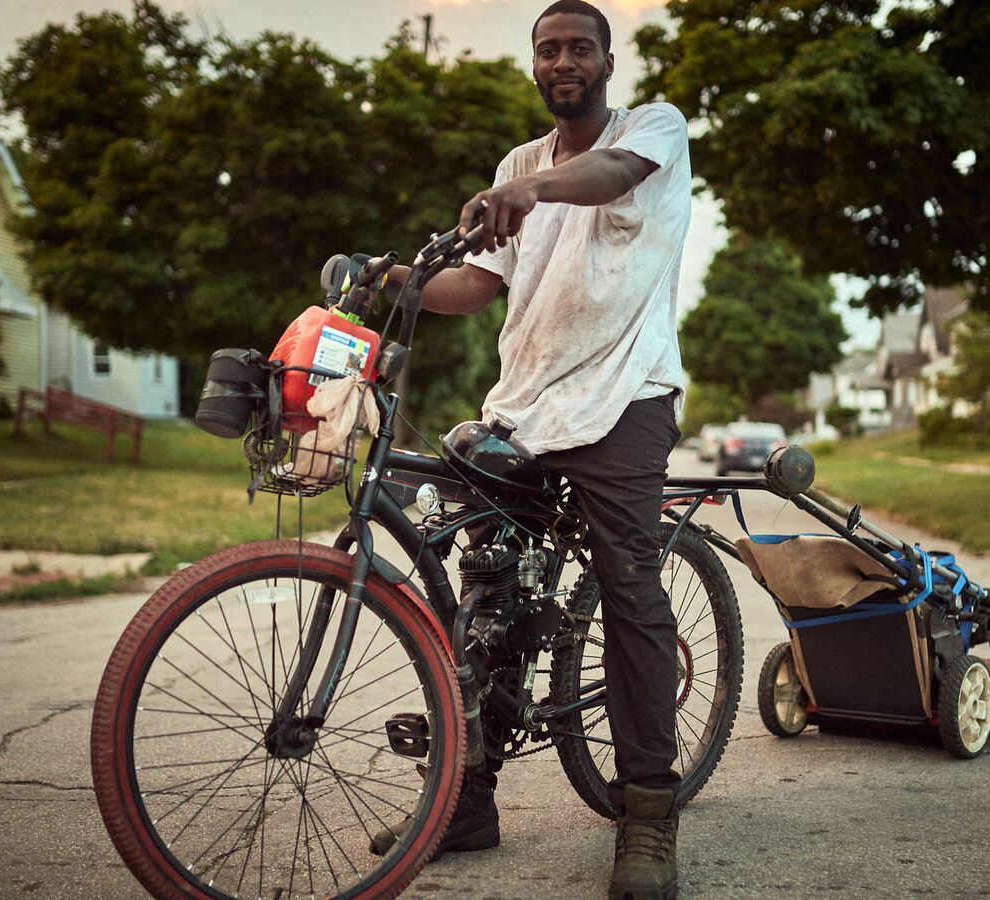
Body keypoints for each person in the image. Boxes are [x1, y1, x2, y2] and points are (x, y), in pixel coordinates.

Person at [371, 3, 692, 898]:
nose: (563, 61)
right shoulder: (518, 164)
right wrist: (393, 277)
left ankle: (648, 812)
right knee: (488, 593)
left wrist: (532, 191)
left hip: (626, 394)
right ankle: (467, 802)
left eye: (579, 48)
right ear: (535, 66)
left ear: (607, 61)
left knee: (629, 586)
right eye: (548, 50)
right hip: (524, 406)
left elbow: (607, 176)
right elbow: (477, 286)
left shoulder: (653, 130)